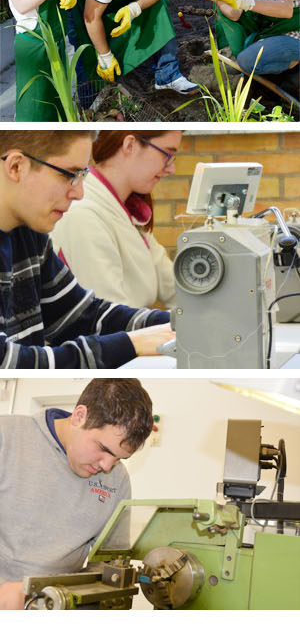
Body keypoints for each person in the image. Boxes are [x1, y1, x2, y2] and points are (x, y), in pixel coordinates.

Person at [0, 129, 172, 375]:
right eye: (69, 175)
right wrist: (131, 343)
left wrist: (179, 323)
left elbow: (83, 316)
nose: (79, 193)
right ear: (16, 167)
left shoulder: (28, 234)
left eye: (82, 175)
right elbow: (8, 363)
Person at [0, 376, 153, 611]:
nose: (106, 466)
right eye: (103, 449)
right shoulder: (7, 437)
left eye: (119, 458)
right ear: (80, 416)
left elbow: (109, 566)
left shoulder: (117, 479)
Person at [53, 129, 180, 307]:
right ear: (130, 145)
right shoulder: (83, 216)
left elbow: (176, 289)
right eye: (167, 154)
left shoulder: (128, 209)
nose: (171, 169)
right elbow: (108, 316)